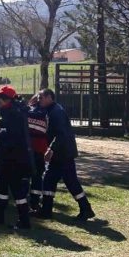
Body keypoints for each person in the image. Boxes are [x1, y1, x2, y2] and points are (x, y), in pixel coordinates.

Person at [36, 89, 95, 221]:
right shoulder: (52, 110)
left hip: (63, 153)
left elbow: (61, 134)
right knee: (50, 180)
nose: (39, 100)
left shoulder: (56, 112)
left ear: (49, 97)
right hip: (62, 153)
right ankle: (46, 210)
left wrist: (51, 149)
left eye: (41, 98)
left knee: (69, 181)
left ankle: (85, 208)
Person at [0, 85, 33, 230]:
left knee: (17, 189)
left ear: (6, 99)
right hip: (8, 156)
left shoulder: (15, 113)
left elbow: (14, 136)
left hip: (15, 158)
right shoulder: (11, 111)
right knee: (2, 185)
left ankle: (24, 221)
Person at [27, 92, 49, 211]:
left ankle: (23, 200)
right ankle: (35, 202)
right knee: (37, 177)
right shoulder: (47, 113)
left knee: (24, 176)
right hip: (40, 149)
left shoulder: (27, 111)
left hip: (26, 149)